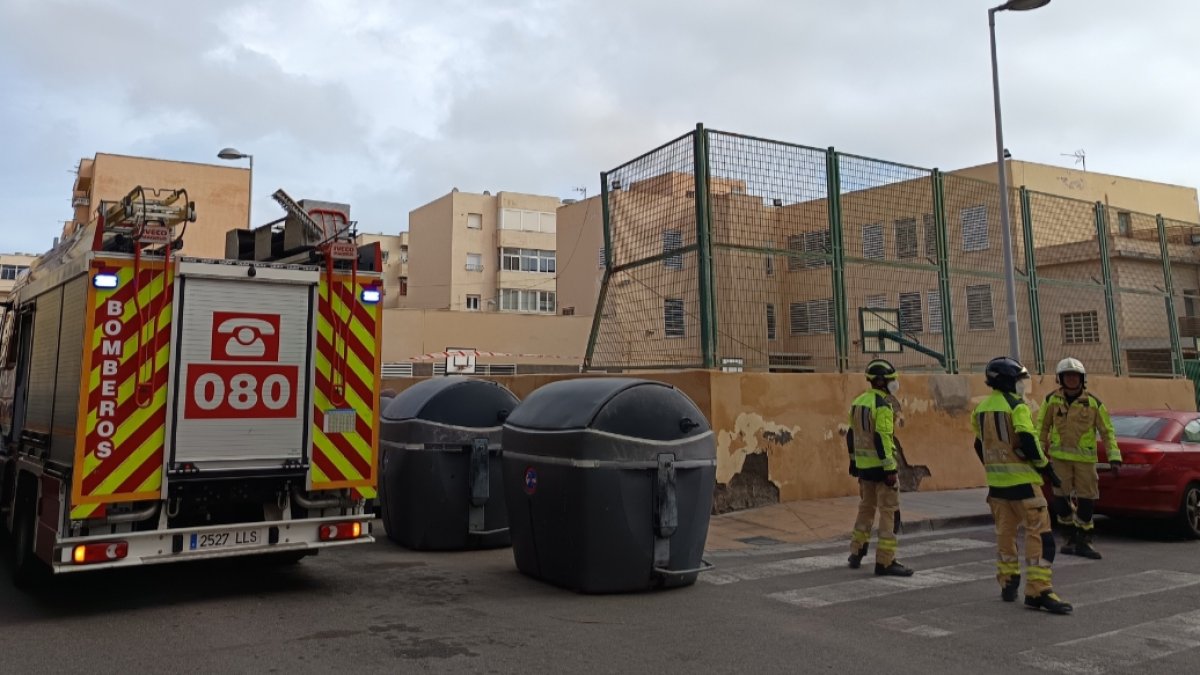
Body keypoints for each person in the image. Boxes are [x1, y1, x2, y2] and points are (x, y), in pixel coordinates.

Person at [973, 356, 1072, 614]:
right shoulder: (1017, 406)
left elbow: (978, 444)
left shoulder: (981, 409)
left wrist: (993, 466)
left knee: (1005, 535)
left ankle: (1008, 582)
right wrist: (1044, 467)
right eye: (1018, 380)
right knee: (1041, 536)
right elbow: (1028, 439)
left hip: (996, 486)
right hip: (1024, 484)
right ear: (1007, 381)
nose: (1022, 385)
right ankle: (1039, 590)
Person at [1038, 357, 1121, 560]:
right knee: (1060, 501)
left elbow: (1107, 431)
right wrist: (1039, 457)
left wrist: (1114, 456)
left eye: (1075, 376)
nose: (1072, 380)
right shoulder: (1051, 401)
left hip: (1085, 461)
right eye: (1067, 376)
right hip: (1059, 460)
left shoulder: (1093, 403)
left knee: (1086, 501)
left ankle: (1085, 541)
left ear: (1082, 379)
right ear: (1061, 379)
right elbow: (1041, 428)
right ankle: (1069, 538)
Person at [846, 359, 913, 577]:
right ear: (883, 382)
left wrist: (853, 461)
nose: (895, 383)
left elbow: (850, 435)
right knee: (889, 513)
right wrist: (890, 469)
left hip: (864, 468)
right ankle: (885, 561)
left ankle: (856, 551)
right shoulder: (883, 405)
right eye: (892, 379)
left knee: (865, 509)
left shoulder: (858, 403)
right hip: (882, 469)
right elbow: (882, 437)